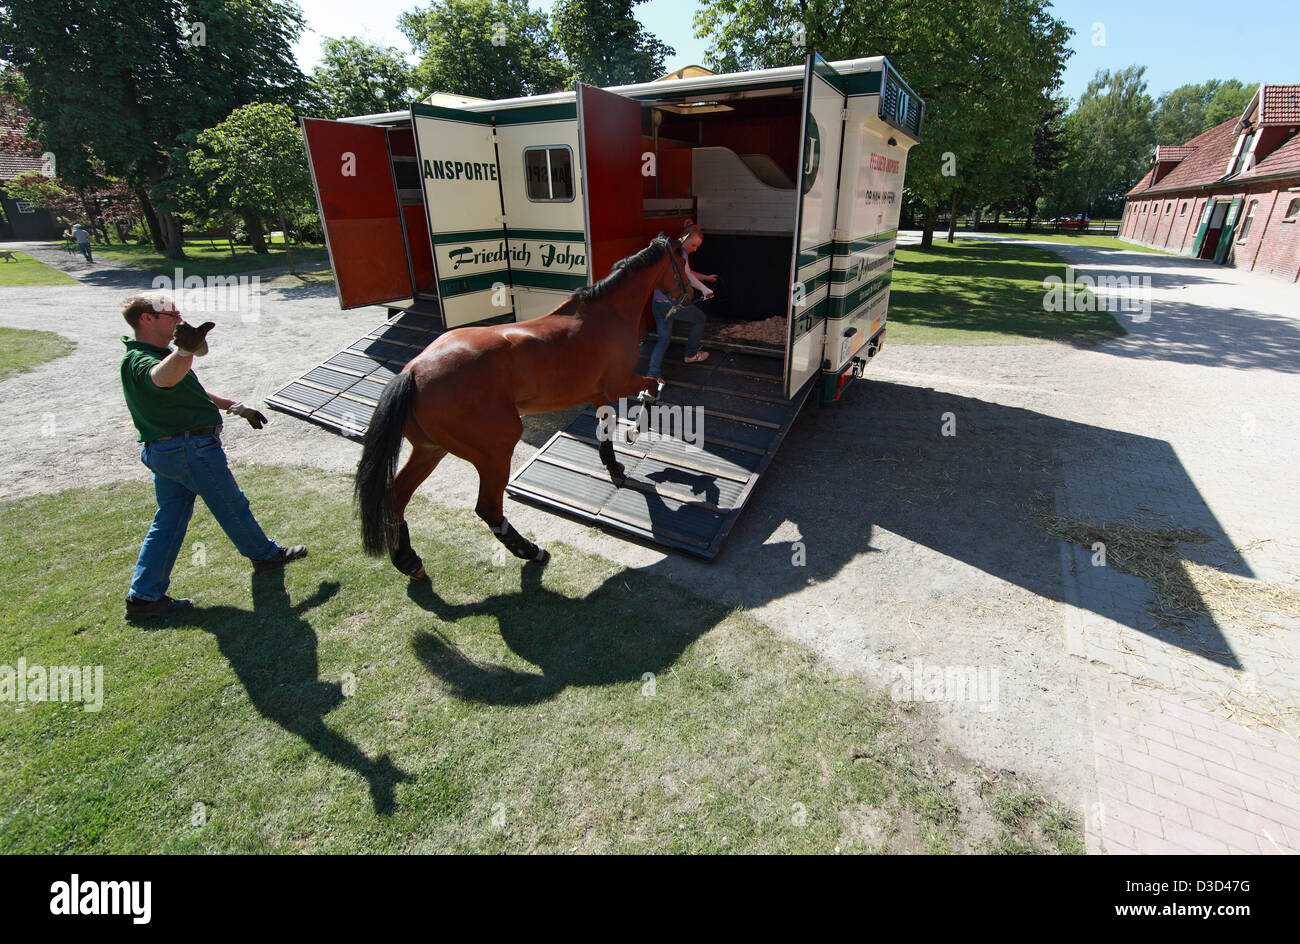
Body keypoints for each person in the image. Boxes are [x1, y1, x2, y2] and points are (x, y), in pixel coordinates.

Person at [119, 292, 306, 620]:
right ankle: (264, 556)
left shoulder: (153, 355)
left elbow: (188, 387)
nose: (179, 321)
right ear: (146, 319)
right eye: (171, 315)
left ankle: (144, 597)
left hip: (166, 452)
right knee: (232, 504)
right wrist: (185, 350)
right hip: (188, 450)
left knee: (168, 521)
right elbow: (162, 380)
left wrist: (235, 406)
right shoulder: (143, 361)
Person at [646, 220, 717, 380]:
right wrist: (704, 289)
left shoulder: (668, 251)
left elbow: (687, 273)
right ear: (684, 239)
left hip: (657, 304)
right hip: (672, 303)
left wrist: (706, 278)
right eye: (693, 245)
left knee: (663, 340)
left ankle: (652, 374)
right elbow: (689, 277)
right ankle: (691, 354)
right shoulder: (680, 254)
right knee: (700, 319)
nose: (695, 249)